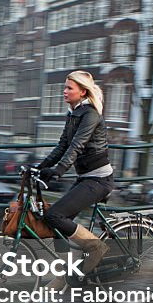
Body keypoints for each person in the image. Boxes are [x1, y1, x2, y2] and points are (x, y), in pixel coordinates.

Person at [37, 70, 114, 279]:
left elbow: (77, 146)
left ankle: (96, 247)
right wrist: (40, 167)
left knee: (54, 215)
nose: (64, 91)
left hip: (99, 180)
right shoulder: (73, 114)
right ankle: (65, 275)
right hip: (85, 178)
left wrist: (59, 170)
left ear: (82, 91)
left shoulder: (90, 114)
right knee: (56, 224)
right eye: (65, 87)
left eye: (69, 88)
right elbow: (63, 145)